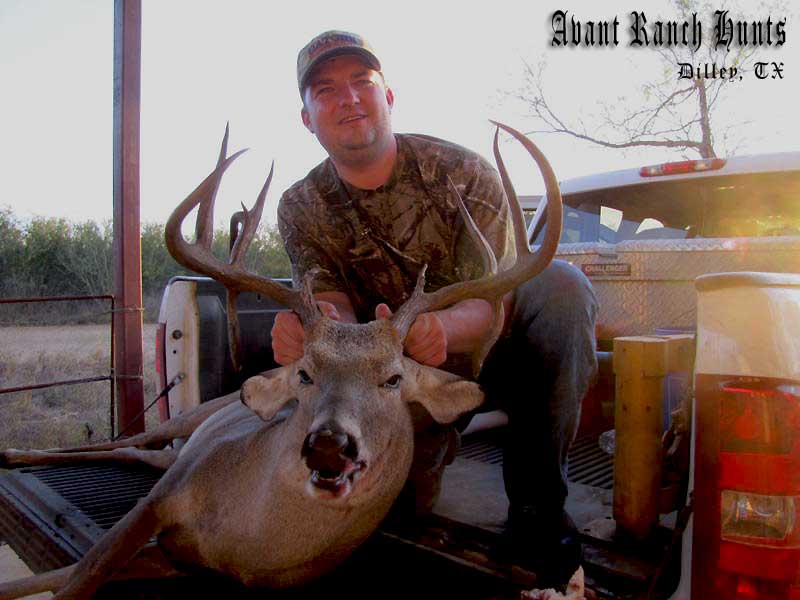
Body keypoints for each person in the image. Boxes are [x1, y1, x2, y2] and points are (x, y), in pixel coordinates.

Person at [271, 30, 598, 587]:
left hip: (496, 357)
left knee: (562, 285)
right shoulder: (301, 205)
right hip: (392, 378)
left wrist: (442, 328)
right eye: (325, 90)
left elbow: (494, 295)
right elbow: (331, 302)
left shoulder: (462, 171)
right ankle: (413, 468)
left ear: (388, 96)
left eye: (361, 82)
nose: (348, 98)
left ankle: (538, 510)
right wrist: (313, 329)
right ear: (307, 118)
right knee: (383, 527)